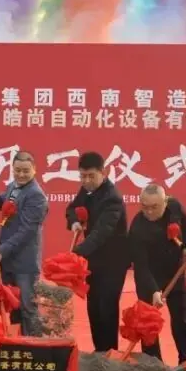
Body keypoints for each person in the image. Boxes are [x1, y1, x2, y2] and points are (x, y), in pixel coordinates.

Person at [66, 151, 130, 352]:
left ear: (104, 172)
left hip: (113, 261)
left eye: (91, 176)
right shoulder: (86, 190)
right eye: (82, 176)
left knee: (107, 307)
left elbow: (101, 233)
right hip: (93, 259)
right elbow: (71, 208)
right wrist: (75, 221)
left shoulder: (113, 198)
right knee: (93, 307)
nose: (86, 181)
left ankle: (111, 353)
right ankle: (100, 351)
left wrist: (75, 254)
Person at [129, 183, 186, 364]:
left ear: (165, 202)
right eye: (145, 207)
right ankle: (153, 363)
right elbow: (141, 266)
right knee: (148, 324)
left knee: (181, 319)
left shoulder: (175, 207)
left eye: (154, 207)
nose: (149, 211)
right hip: (149, 277)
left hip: (175, 271)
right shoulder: (137, 228)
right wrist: (153, 290)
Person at [0, 151, 49, 336]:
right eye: (17, 170)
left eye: (26, 171)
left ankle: (35, 347)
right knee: (13, 304)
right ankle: (18, 344)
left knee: (28, 307)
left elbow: (27, 231)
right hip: (9, 260)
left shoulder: (36, 196)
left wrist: (2, 249)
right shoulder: (14, 185)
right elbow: (5, 201)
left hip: (25, 262)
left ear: (35, 170)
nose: (21, 175)